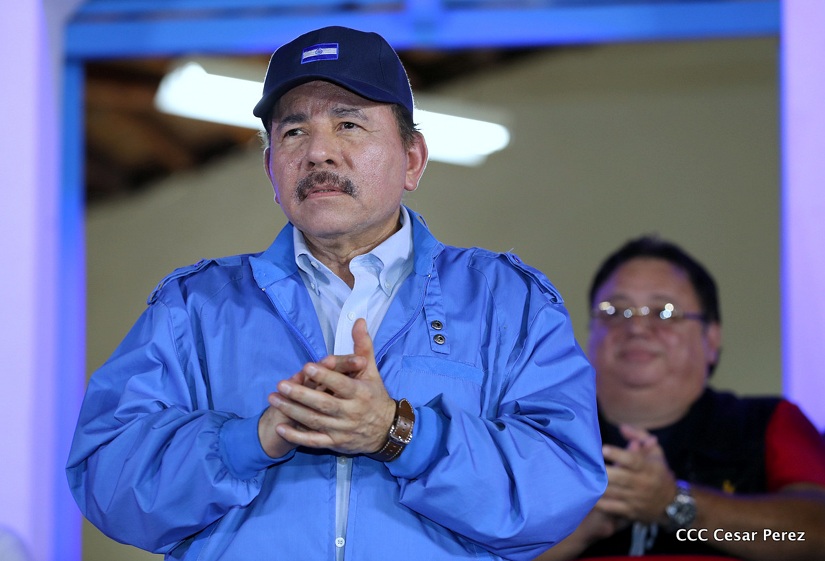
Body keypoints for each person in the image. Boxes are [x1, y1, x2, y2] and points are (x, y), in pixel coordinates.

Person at [66, 26, 606, 561]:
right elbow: (107, 481)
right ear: (270, 168)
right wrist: (251, 440)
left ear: (412, 159)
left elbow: (560, 487)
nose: (319, 152)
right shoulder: (194, 308)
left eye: (348, 124)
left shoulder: (506, 302)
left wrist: (398, 432)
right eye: (294, 132)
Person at [535, 235, 825, 561]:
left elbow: (814, 535)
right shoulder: (540, 432)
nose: (637, 328)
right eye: (615, 311)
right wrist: (577, 527)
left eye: (664, 312)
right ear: (590, 334)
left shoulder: (767, 422)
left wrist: (674, 503)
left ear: (711, 338)